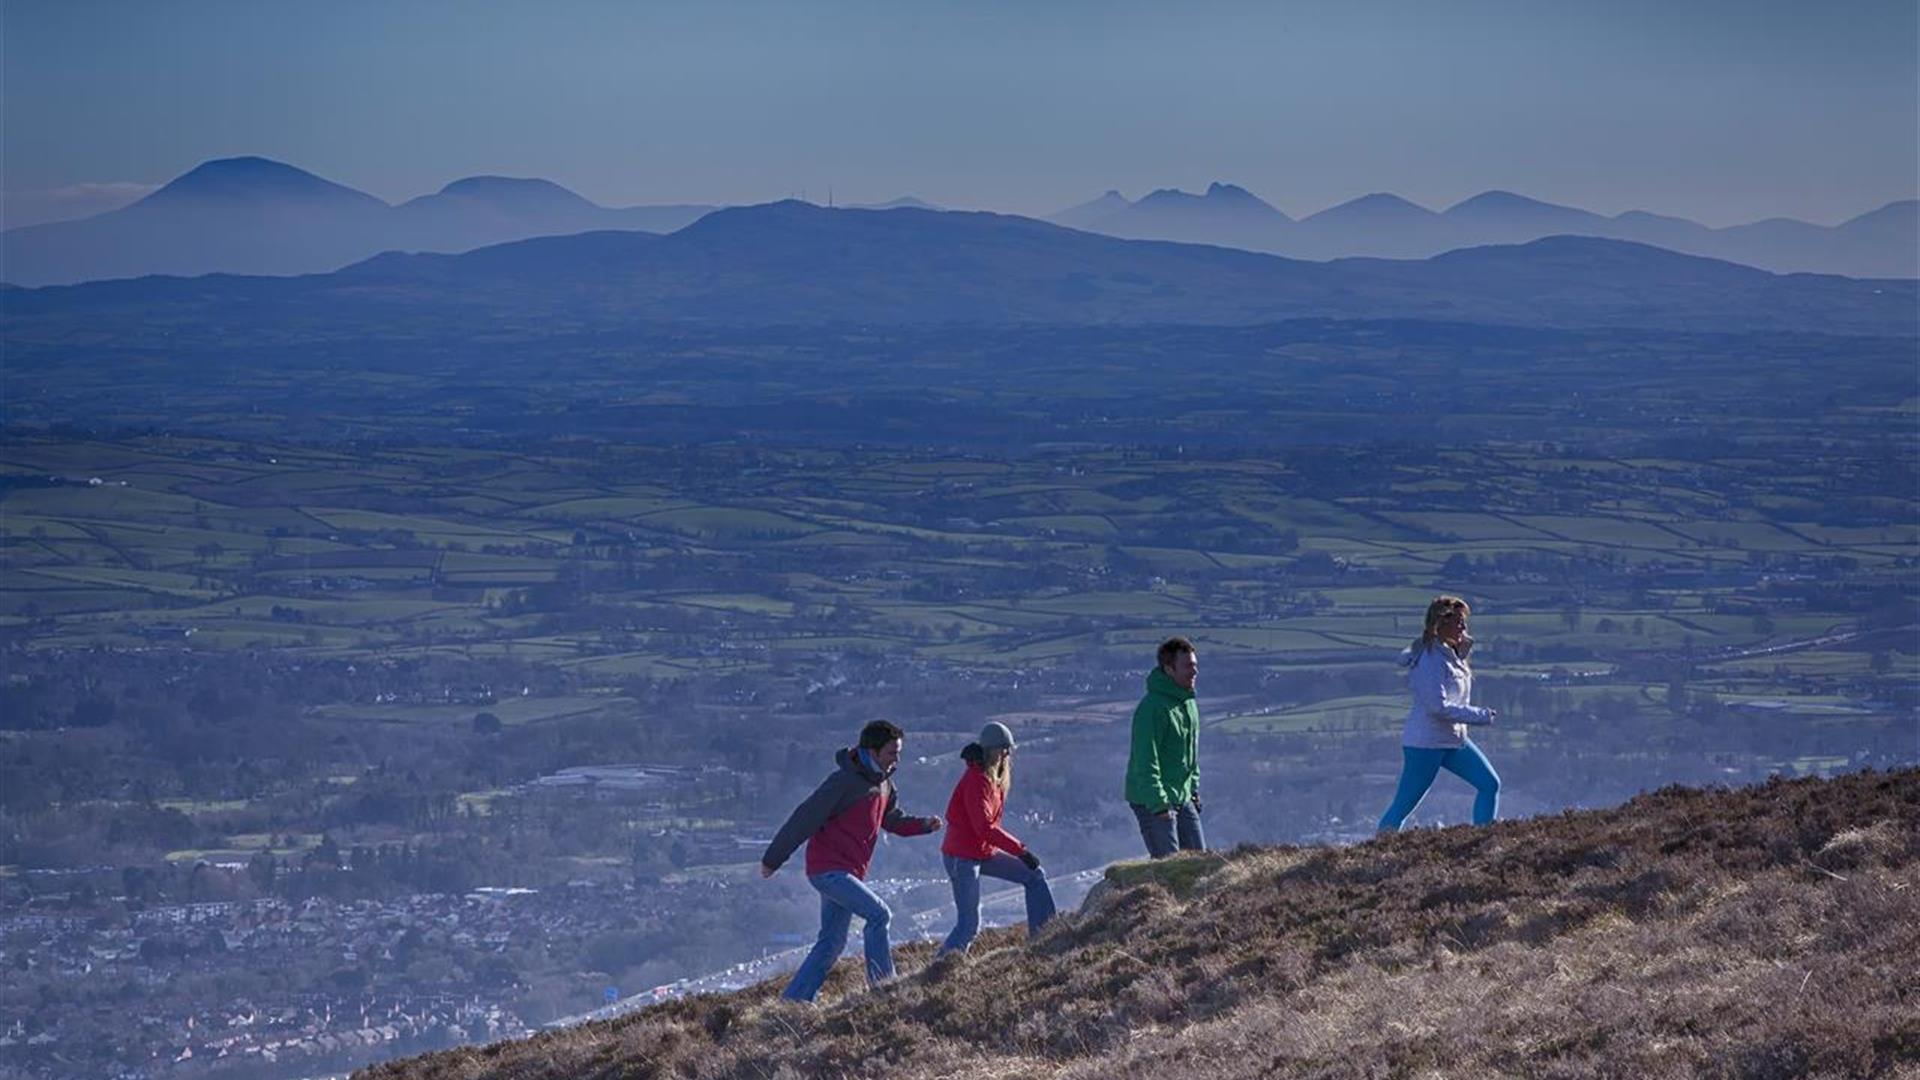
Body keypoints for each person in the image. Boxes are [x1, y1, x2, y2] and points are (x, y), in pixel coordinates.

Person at [760, 720, 942, 1002]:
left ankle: (794, 1002)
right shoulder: (844, 781)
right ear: (873, 750)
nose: (897, 759)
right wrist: (773, 859)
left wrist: (924, 825)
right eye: (892, 752)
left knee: (832, 942)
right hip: (827, 869)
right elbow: (804, 817)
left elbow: (892, 820)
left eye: (899, 752)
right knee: (879, 914)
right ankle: (884, 989)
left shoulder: (884, 784)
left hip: (849, 873)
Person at [1376, 595, 1502, 833]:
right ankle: (1375, 852)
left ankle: (1484, 840)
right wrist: (1480, 716)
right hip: (1426, 744)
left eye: (1464, 622)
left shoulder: (1449, 655)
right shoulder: (1431, 659)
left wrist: (1463, 648)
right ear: (1440, 624)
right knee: (1403, 806)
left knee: (1489, 784)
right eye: (1458, 623)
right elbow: (1438, 707)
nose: (1464, 628)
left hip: (1452, 739)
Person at [937, 721, 1056, 956]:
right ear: (990, 750)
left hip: (982, 853)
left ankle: (1046, 938)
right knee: (969, 925)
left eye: (1008, 749)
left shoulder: (993, 778)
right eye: (1002, 749)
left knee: (1035, 876)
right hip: (962, 858)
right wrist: (1020, 851)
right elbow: (985, 828)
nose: (1007, 754)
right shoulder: (976, 780)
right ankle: (938, 972)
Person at [1125, 636, 1205, 859]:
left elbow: (1190, 753)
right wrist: (1159, 803)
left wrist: (1194, 789)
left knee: (1199, 863)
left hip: (1182, 794)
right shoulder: (1152, 709)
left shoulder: (1188, 703)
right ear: (1169, 670)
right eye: (1188, 666)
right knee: (1169, 866)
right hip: (1152, 800)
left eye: (1195, 665)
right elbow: (1145, 759)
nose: (1195, 672)